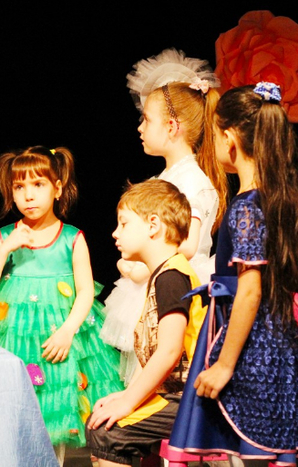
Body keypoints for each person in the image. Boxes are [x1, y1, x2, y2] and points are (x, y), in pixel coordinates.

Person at [168, 83, 298, 465]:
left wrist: (224, 364)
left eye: (214, 136)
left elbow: (250, 290)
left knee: (256, 453)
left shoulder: (247, 206)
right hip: (282, 339)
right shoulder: (283, 197)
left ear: (229, 139)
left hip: (253, 345)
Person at [0, 146, 123, 459]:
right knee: (11, 414)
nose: (28, 195)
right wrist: (6, 248)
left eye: (38, 184)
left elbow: (85, 291)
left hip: (59, 337)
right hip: (15, 337)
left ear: (57, 188)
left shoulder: (72, 238)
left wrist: (68, 331)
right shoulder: (5, 236)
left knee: (56, 411)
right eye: (19, 187)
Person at [101, 49, 224, 384]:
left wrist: (142, 267)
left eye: (147, 120)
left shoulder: (192, 181)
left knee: (159, 377)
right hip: (155, 282)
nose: (140, 127)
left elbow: (188, 245)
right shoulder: (167, 178)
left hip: (176, 287)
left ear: (171, 127)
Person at [86, 179, 202, 467]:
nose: (115, 233)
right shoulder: (164, 274)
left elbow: (169, 351)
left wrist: (128, 403)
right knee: (100, 421)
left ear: (153, 225)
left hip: (192, 401)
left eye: (124, 224)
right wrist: (126, 395)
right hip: (178, 397)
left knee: (107, 431)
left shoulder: (172, 277)